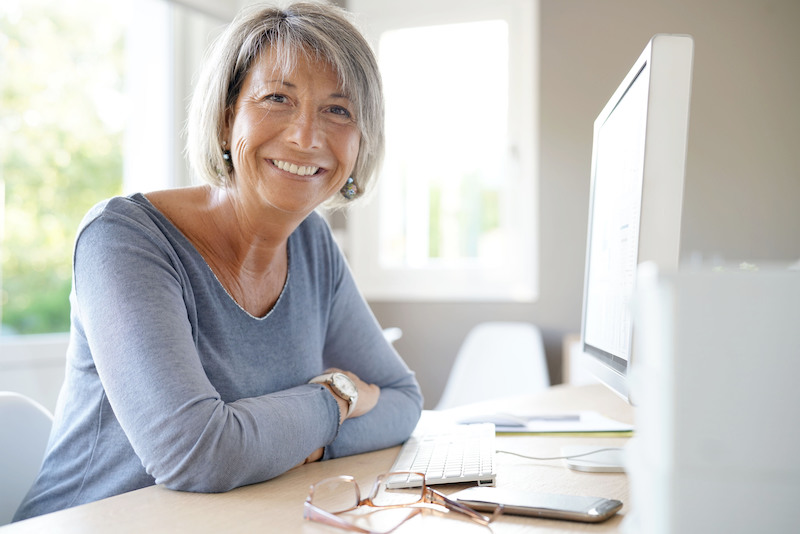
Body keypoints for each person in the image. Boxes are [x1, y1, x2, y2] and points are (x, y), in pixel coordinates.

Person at [14, 1, 423, 521]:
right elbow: (196, 453)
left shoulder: (314, 247)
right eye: (278, 98)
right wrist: (336, 396)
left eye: (338, 110)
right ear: (229, 115)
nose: (306, 135)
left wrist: (305, 445)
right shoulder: (123, 240)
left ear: (360, 140)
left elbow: (403, 401)